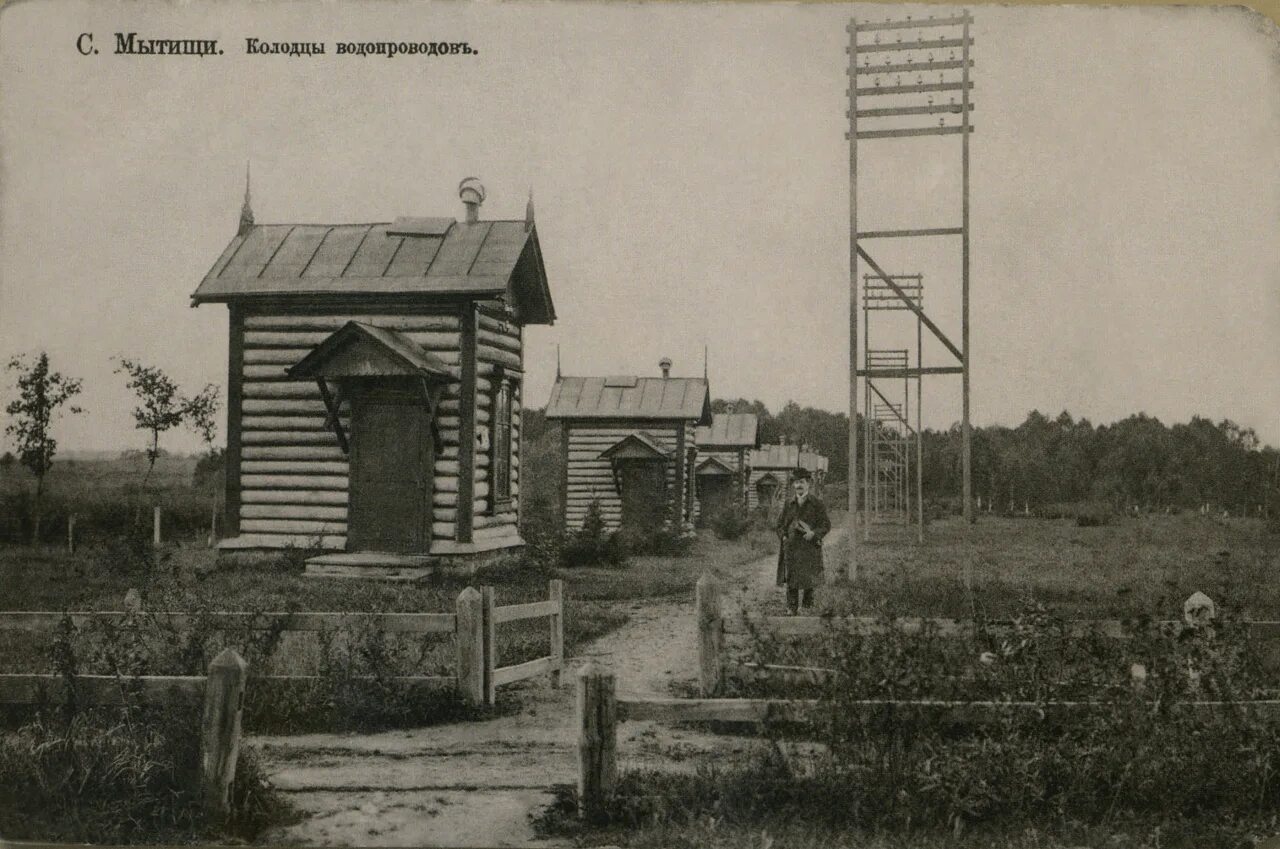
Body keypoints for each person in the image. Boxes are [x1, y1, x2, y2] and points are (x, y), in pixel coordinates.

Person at [774, 468, 830, 614]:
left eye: (802, 482)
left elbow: (826, 525)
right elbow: (779, 525)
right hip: (791, 548)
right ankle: (791, 608)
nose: (799, 485)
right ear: (793, 485)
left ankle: (807, 608)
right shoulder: (788, 504)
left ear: (808, 484)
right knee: (791, 578)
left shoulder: (817, 504)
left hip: (809, 547)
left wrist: (814, 533)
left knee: (809, 578)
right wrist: (784, 537)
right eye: (796, 482)